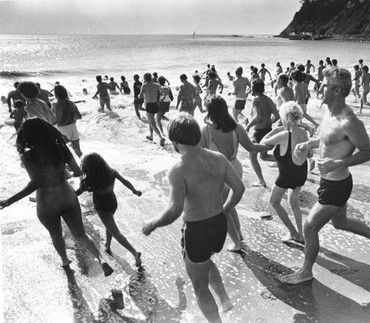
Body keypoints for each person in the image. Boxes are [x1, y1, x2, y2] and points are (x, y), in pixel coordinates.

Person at [281, 67, 370, 285]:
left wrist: (337, 162)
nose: (320, 87)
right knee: (340, 223)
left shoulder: (349, 121)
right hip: (329, 181)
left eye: (325, 85)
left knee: (310, 227)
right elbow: (325, 140)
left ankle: (306, 272)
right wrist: (306, 143)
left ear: (338, 89)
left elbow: (368, 152)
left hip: (337, 185)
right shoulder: (328, 112)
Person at [142, 113, 245, 323]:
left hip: (197, 231)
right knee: (205, 261)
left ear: (175, 141)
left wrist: (152, 224)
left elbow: (174, 211)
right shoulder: (218, 158)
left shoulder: (178, 169)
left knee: (199, 286)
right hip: (218, 224)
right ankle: (224, 299)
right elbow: (239, 188)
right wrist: (225, 209)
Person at [0, 118, 113, 276]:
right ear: (47, 130)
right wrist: (65, 173)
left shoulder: (28, 156)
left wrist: (9, 201)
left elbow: (36, 183)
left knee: (56, 234)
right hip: (67, 196)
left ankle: (65, 261)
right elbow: (78, 172)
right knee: (80, 234)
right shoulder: (61, 149)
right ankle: (101, 260)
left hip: (47, 203)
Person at [200, 96, 269, 251]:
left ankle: (236, 242)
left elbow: (196, 153)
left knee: (223, 208)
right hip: (235, 168)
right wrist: (268, 146)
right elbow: (252, 147)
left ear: (210, 111)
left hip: (218, 171)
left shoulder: (206, 130)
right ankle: (239, 235)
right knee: (229, 205)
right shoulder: (236, 127)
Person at [76, 152, 143, 267]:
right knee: (110, 225)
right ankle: (107, 245)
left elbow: (79, 191)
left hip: (102, 206)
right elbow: (125, 181)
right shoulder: (111, 172)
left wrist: (68, 194)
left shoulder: (90, 178)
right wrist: (134, 190)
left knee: (115, 231)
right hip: (112, 202)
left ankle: (134, 252)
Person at [261, 102, 309, 245]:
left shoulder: (284, 134)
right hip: (301, 172)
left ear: (286, 117)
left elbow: (263, 142)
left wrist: (275, 131)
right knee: (293, 203)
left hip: (287, 174)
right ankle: (300, 234)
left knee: (274, 202)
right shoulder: (303, 132)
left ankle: (293, 232)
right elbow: (309, 152)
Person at [245, 78, 280, 187]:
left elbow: (257, 117)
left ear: (253, 88)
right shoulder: (268, 99)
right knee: (263, 156)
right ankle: (284, 161)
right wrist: (269, 122)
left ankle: (261, 181)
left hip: (258, 132)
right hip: (268, 131)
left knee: (252, 156)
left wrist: (247, 126)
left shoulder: (256, 100)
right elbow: (277, 115)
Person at [53, 85, 83, 157]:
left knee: (63, 152)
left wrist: (50, 124)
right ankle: (84, 165)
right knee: (78, 150)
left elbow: (58, 117)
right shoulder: (71, 103)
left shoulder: (55, 104)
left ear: (56, 94)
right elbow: (79, 116)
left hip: (63, 129)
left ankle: (69, 167)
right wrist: (72, 118)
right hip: (73, 127)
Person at [139, 72, 165, 146]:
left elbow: (140, 96)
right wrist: (161, 98)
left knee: (152, 123)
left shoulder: (144, 85)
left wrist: (141, 93)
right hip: (155, 104)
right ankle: (151, 136)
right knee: (151, 121)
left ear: (144, 78)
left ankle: (161, 138)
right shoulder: (156, 85)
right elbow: (164, 93)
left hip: (149, 105)